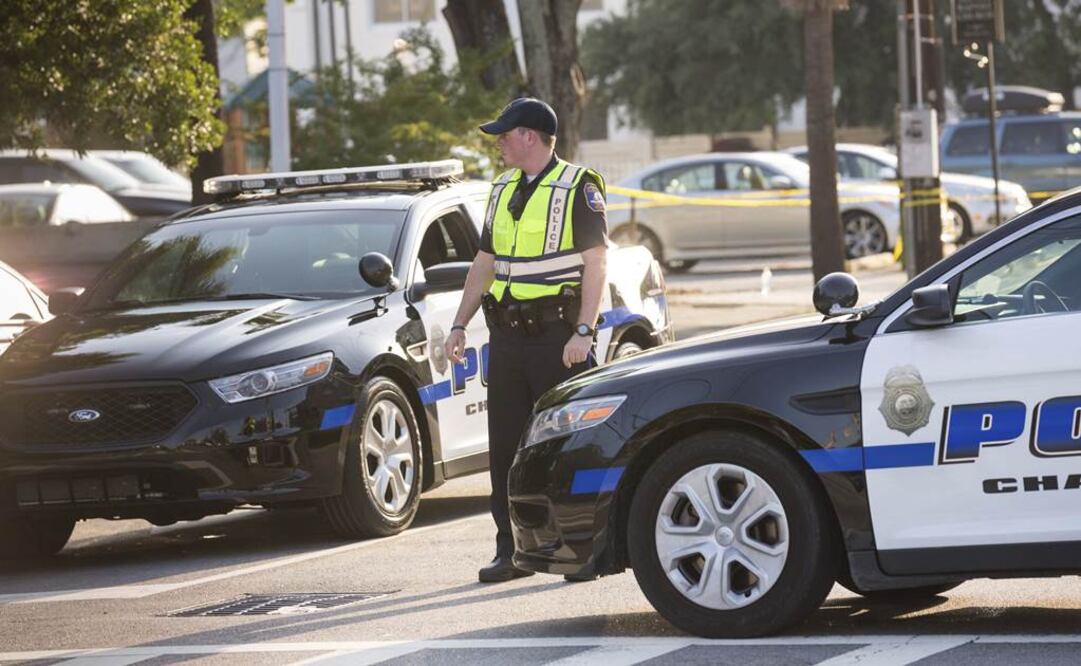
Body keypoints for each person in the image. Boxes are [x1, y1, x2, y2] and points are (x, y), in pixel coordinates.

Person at [444, 98, 609, 583]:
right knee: (506, 449)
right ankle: (511, 550)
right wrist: (458, 324)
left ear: (530, 136)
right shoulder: (501, 188)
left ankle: (580, 551)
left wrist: (583, 330)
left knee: (565, 445)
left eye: (505, 134)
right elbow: (485, 262)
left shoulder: (579, 186)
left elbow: (596, 263)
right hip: (509, 338)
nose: (498, 142)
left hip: (559, 337)